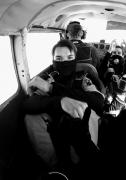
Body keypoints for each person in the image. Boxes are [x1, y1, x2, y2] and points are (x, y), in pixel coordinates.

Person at [23, 39, 104, 178]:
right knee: (31, 118)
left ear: (75, 59)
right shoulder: (49, 77)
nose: (64, 62)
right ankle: (56, 168)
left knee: (86, 111)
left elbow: (97, 101)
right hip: (56, 118)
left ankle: (85, 162)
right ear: (53, 61)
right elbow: (30, 103)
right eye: (59, 58)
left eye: (69, 57)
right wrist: (59, 102)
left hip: (82, 119)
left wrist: (52, 89)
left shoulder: (84, 76)